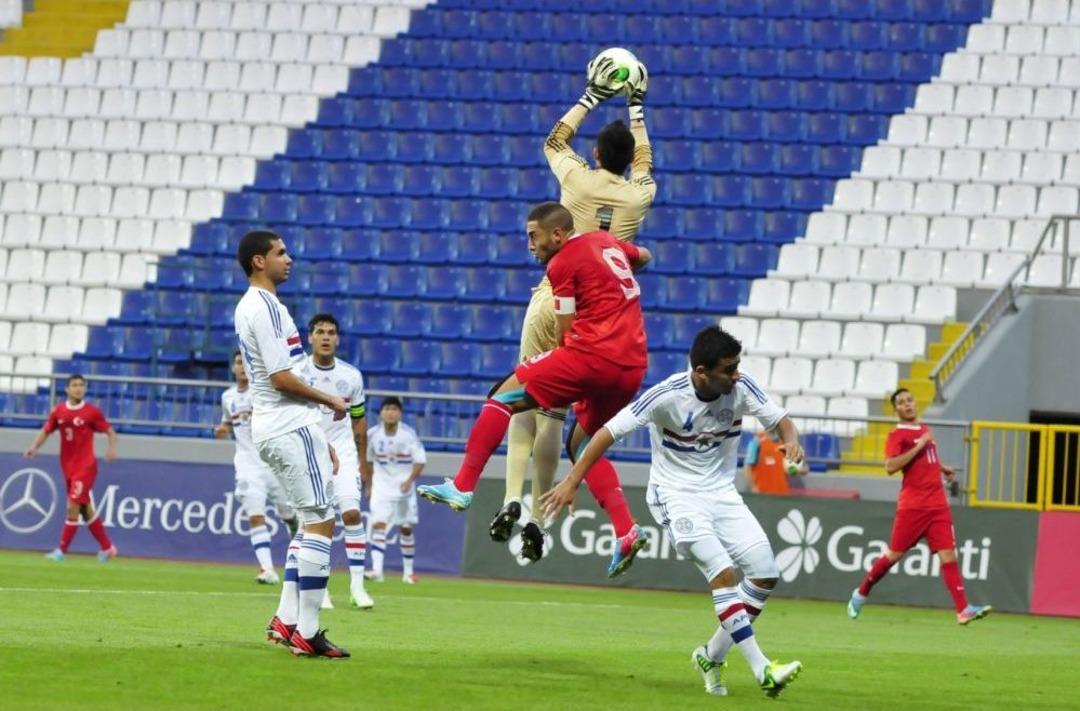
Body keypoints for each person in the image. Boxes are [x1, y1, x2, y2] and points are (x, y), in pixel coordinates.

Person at [541, 326, 804, 698]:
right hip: (676, 495)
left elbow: (780, 421)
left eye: (737, 366)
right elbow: (605, 434)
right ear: (701, 372)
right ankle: (763, 668)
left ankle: (711, 656)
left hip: (722, 494)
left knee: (765, 574)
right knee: (724, 573)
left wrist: (790, 442)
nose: (736, 375)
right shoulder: (666, 396)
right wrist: (571, 480)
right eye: (728, 369)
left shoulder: (742, 387)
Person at [419, 202, 654, 577]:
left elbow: (564, 333)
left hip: (592, 356)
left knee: (504, 394)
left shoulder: (560, 264)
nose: (530, 244)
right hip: (632, 366)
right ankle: (626, 530)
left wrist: (562, 375)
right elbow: (644, 254)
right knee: (581, 443)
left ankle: (464, 485)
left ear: (557, 235)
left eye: (534, 236)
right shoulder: (606, 241)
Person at [491, 53, 658, 561]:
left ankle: (511, 499)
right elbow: (646, 164)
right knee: (557, 419)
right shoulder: (639, 194)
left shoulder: (578, 179)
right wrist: (637, 109)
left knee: (524, 400)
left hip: (554, 298)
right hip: (603, 321)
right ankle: (540, 518)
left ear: (596, 152)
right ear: (628, 159)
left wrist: (591, 96)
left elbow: (552, 141)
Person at [234, 229, 350, 659]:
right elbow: (281, 378)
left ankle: (286, 620)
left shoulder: (258, 305)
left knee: (307, 521)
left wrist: (318, 435)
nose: (290, 258)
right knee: (322, 522)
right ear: (259, 261)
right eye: (281, 252)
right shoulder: (263, 308)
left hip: (282, 426)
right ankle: (309, 631)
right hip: (287, 426)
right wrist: (329, 399)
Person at [848, 388, 992, 625]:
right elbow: (890, 466)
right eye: (902, 402)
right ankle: (861, 592)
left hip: (938, 506)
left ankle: (963, 609)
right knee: (893, 556)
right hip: (913, 507)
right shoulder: (898, 434)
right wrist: (918, 446)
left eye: (910, 400)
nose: (907, 404)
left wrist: (941, 467)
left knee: (948, 555)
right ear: (896, 410)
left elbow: (926, 460)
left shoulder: (923, 429)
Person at [295, 313, 374, 610]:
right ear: (310, 338)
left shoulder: (351, 376)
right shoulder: (299, 372)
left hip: (344, 454)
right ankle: (321, 587)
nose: (326, 337)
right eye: (320, 332)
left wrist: (364, 464)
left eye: (331, 332)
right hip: (310, 455)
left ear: (338, 339)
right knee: (317, 523)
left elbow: (359, 421)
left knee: (351, 514)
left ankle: (357, 587)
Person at [215, 351, 298, 584]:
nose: (242, 367)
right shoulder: (227, 397)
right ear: (233, 368)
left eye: (246, 362)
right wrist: (223, 429)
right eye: (238, 362)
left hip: (273, 463)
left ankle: (298, 545)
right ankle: (267, 569)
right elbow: (228, 422)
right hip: (247, 464)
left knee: (289, 514)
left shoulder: (264, 391)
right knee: (255, 515)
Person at [25, 373, 119, 562]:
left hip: (85, 466)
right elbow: (47, 430)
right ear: (67, 389)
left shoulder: (91, 412)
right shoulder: (59, 411)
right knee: (85, 509)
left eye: (81, 385)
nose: (79, 388)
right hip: (68, 467)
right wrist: (34, 447)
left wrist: (111, 449)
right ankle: (108, 548)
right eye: (75, 385)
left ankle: (61, 551)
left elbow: (110, 431)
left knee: (72, 507)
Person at [365, 396, 426, 584]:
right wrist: (369, 485)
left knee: (405, 528)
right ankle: (377, 571)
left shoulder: (408, 434)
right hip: (381, 486)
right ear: (381, 413)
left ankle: (408, 573)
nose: (390, 412)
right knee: (378, 525)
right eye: (387, 409)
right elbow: (367, 460)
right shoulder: (372, 434)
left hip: (403, 488)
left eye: (394, 409)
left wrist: (409, 480)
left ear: (400, 413)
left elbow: (420, 460)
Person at [744, 430, 805, 495]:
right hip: (763, 495)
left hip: (782, 494)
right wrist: (753, 488)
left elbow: (798, 468)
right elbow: (748, 468)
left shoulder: (786, 442)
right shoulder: (757, 441)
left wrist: (798, 469)